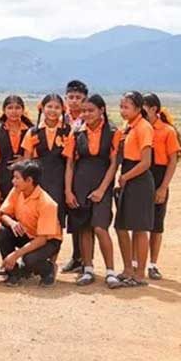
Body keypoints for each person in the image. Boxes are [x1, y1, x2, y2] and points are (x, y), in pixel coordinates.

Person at [63, 94, 123, 289]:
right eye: (84, 111)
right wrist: (68, 191)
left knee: (100, 227)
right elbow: (70, 164)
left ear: (102, 110)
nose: (87, 114)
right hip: (80, 184)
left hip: (102, 185)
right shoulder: (77, 132)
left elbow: (114, 164)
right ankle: (88, 269)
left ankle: (110, 272)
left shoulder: (113, 132)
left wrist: (101, 189)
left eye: (91, 110)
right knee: (84, 228)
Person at [21, 93, 70, 267]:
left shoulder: (68, 132)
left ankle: (52, 262)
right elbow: (26, 162)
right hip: (38, 182)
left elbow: (71, 162)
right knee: (37, 219)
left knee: (57, 221)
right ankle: (36, 259)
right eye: (49, 106)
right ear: (42, 108)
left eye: (57, 107)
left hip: (59, 181)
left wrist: (68, 189)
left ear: (63, 110)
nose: (53, 110)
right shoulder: (33, 132)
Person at [0, 160, 63, 287]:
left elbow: (42, 239)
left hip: (48, 240)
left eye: (17, 178)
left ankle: (48, 269)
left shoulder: (47, 203)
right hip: (27, 232)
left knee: (29, 259)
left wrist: (15, 255)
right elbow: (2, 213)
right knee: (3, 232)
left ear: (29, 180)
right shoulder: (17, 191)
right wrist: (11, 223)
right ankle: (13, 273)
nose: (13, 181)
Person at [114, 91, 156, 287]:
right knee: (121, 225)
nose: (123, 111)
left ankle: (140, 272)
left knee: (139, 228)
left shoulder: (144, 127)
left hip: (138, 179)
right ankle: (127, 268)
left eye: (126, 107)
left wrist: (126, 177)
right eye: (121, 107)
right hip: (128, 176)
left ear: (138, 109)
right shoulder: (128, 127)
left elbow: (146, 162)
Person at [142, 93, 181, 280]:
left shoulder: (167, 131)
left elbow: (173, 160)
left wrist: (163, 187)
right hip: (141, 176)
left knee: (156, 225)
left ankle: (153, 264)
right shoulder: (136, 128)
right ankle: (136, 263)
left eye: (142, 107)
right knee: (139, 222)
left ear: (154, 109)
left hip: (159, 176)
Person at [60, 79, 88, 274]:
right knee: (64, 216)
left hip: (80, 170)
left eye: (78, 97)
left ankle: (82, 258)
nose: (74, 101)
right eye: (71, 97)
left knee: (79, 216)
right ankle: (74, 256)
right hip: (59, 168)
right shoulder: (60, 117)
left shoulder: (89, 118)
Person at [0, 95, 33, 202]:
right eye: (10, 108)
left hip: (26, 180)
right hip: (3, 179)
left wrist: (25, 159)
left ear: (23, 110)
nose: (14, 111)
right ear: (4, 110)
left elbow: (39, 155)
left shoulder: (31, 131)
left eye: (17, 108)